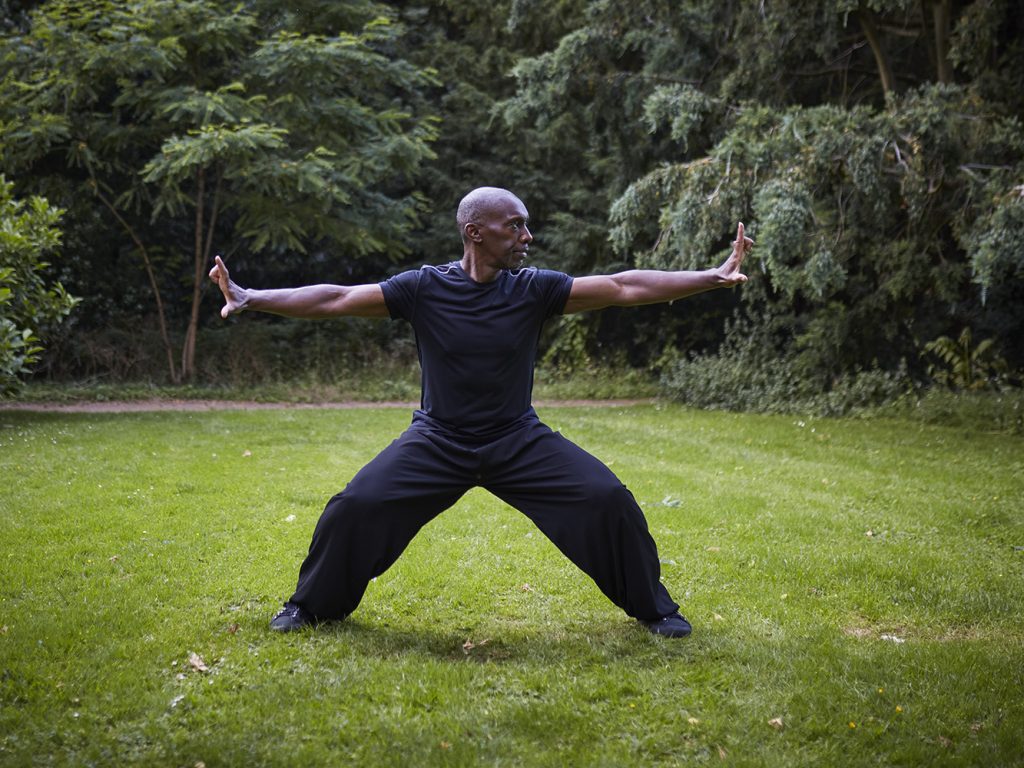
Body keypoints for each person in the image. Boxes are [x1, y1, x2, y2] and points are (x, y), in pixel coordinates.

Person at [209, 186, 751, 638]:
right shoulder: (424, 288)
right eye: (515, 226)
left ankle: (656, 610)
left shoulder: (533, 289)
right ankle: (312, 606)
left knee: (607, 499)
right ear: (476, 232)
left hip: (517, 440)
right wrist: (251, 296)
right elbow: (337, 299)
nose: (526, 237)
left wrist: (711, 275)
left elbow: (622, 285)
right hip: (438, 440)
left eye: (526, 226)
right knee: (355, 506)